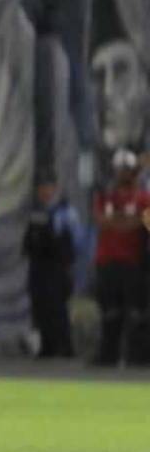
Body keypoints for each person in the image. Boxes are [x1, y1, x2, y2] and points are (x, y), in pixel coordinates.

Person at [92, 149, 150, 365]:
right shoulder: (105, 196)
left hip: (133, 262)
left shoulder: (144, 198)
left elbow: (147, 224)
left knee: (136, 313)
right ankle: (108, 355)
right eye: (120, 169)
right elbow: (101, 221)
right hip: (107, 261)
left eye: (127, 169)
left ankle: (137, 356)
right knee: (110, 312)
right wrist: (130, 221)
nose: (123, 174)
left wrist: (120, 222)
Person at [22, 178, 82, 358]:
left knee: (58, 307)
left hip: (57, 266)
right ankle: (47, 346)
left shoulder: (65, 212)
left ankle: (65, 346)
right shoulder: (35, 212)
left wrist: (69, 261)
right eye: (41, 188)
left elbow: (76, 239)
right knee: (40, 306)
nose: (44, 192)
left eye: (48, 188)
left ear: (55, 189)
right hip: (38, 265)